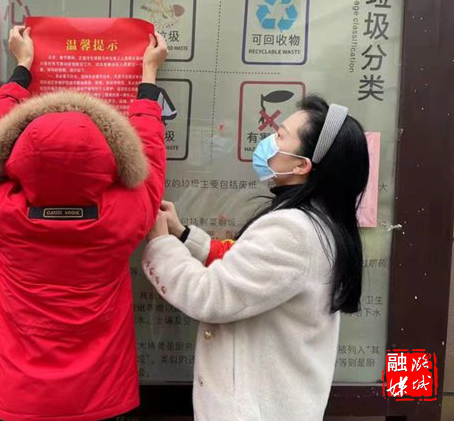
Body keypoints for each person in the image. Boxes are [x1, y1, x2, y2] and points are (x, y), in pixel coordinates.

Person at [0, 26, 168, 421]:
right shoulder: (126, 216)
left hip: (13, 395)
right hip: (99, 396)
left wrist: (22, 69)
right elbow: (149, 155)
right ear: (109, 158)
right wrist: (148, 78)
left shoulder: (0, 210)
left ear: (17, 157)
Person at [142, 96, 369, 421]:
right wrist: (182, 235)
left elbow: (209, 295)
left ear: (301, 165)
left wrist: (161, 243)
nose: (268, 141)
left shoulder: (292, 230)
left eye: (280, 135)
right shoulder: (318, 221)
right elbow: (247, 269)